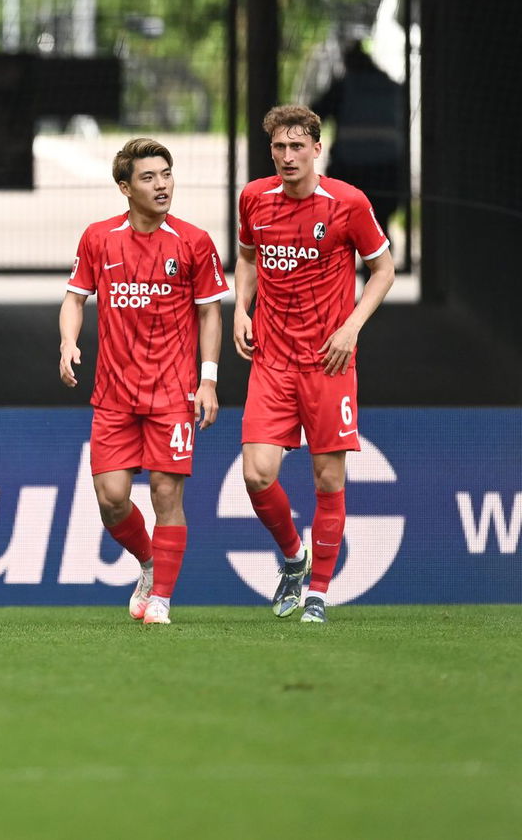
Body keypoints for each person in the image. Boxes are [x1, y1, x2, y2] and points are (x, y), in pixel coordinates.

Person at [234, 104, 394, 625]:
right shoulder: (255, 199)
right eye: (278, 147)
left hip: (328, 362)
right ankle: (292, 557)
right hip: (272, 361)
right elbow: (248, 256)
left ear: (316, 149)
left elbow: (384, 269)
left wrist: (351, 328)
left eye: (296, 146)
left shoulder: (347, 203)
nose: (286, 156)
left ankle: (319, 593)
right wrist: (241, 306)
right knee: (257, 475)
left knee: (328, 479)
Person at [58, 138, 227, 625]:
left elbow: (210, 314)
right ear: (124, 188)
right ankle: (150, 565)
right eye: (149, 178)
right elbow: (74, 299)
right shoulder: (99, 238)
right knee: (112, 500)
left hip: (173, 394)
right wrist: (69, 344)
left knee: (165, 494)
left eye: (166, 174)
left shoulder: (193, 242)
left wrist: (208, 380)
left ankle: (162, 600)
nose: (162, 185)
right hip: (113, 396)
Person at [312, 40, 406, 234]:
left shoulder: (345, 87)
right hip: (388, 169)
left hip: (351, 168)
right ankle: (379, 260)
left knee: (345, 223)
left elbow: (316, 112)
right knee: (380, 224)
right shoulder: (391, 87)